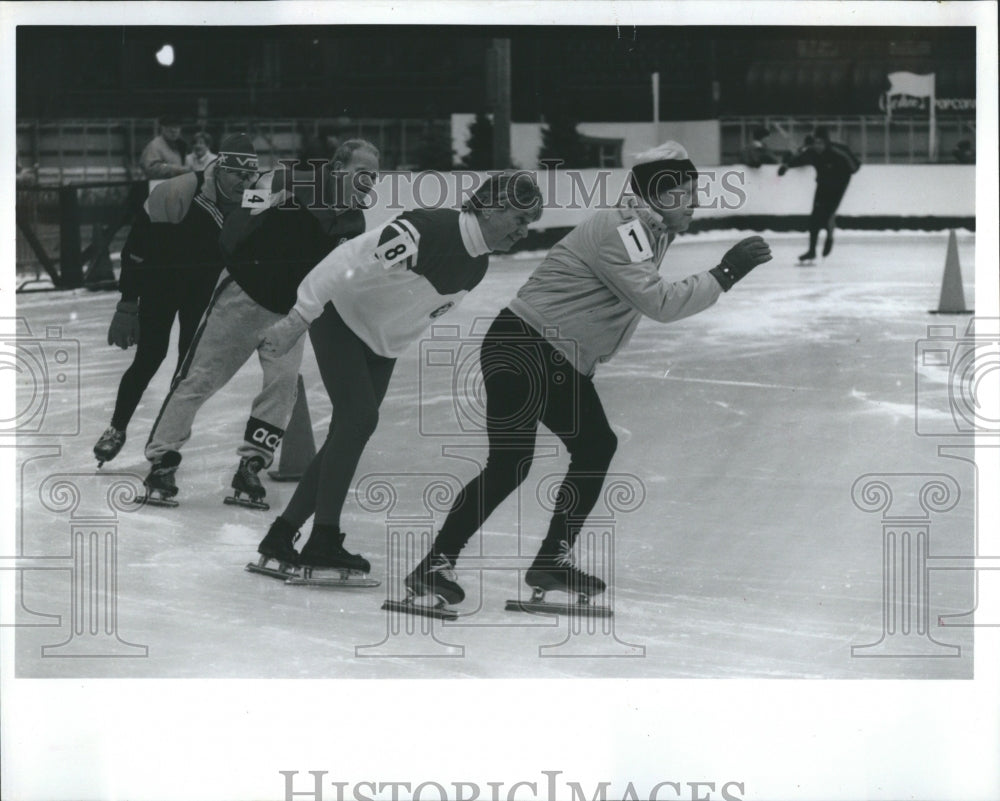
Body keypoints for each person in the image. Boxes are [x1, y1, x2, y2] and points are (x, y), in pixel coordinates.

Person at [399, 141, 772, 614]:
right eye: (683, 193)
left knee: (588, 446)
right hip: (527, 345)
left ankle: (546, 562)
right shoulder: (624, 228)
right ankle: (438, 563)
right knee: (515, 461)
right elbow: (658, 302)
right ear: (656, 197)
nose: (695, 202)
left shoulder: (646, 227)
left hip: (550, 353)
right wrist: (725, 272)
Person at [252, 171, 544, 581]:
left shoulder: (477, 264)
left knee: (348, 432)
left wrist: (387, 348)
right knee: (358, 421)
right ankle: (323, 539)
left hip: (380, 346)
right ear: (494, 208)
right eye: (520, 219)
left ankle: (281, 536)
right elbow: (347, 259)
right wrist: (299, 316)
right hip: (340, 319)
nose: (525, 231)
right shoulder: (429, 230)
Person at [141, 139, 380, 507]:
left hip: (290, 315)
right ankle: (162, 459)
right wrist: (261, 205)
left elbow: (337, 275)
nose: (369, 181)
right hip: (242, 297)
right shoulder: (300, 183)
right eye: (361, 172)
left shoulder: (353, 220)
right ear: (336, 169)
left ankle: (251, 464)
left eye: (373, 175)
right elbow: (248, 205)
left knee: (282, 390)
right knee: (200, 378)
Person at [93, 134, 260, 467]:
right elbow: (136, 250)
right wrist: (128, 303)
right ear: (221, 168)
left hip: (203, 292)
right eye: (238, 174)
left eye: (250, 176)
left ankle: (164, 439)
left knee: (188, 369)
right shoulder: (178, 191)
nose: (245, 182)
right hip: (160, 285)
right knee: (149, 358)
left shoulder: (254, 201)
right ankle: (117, 427)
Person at [777, 126, 860, 262]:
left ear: (826, 142)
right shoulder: (812, 152)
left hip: (838, 187)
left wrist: (840, 173)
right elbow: (799, 159)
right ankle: (812, 251)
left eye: (820, 143)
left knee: (827, 217)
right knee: (814, 218)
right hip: (823, 185)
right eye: (815, 143)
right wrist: (785, 167)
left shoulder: (838, 150)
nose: (818, 146)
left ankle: (829, 238)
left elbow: (855, 167)